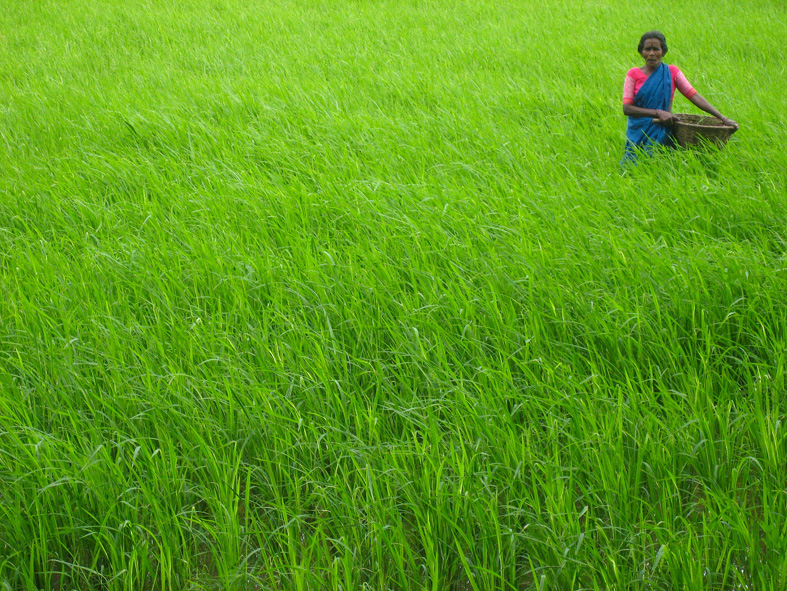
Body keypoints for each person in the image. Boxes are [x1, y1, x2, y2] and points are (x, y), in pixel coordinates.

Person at [621, 31, 739, 165]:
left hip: (662, 129)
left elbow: (694, 96)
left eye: (656, 49)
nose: (652, 53)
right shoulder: (633, 74)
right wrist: (658, 112)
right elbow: (627, 108)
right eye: (647, 49)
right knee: (632, 165)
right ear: (641, 52)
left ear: (663, 51)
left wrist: (723, 118)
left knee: (660, 164)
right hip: (638, 131)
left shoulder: (671, 72)